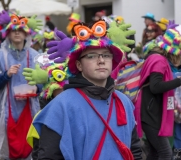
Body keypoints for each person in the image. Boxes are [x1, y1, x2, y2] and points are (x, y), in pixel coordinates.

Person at [31, 20, 142, 159]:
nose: (101, 60)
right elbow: (48, 156)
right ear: (79, 65)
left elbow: (135, 150)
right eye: (92, 56)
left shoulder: (124, 102)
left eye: (106, 55)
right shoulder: (61, 106)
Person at [0, 10, 43, 159]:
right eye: (13, 30)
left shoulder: (35, 57)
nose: (17, 33)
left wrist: (37, 87)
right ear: (7, 33)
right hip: (6, 113)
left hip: (30, 109)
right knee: (9, 150)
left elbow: (46, 84)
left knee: (30, 146)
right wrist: (6, 75)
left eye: (21, 30)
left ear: (27, 34)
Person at [135, 24, 181, 160]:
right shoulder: (159, 60)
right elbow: (155, 87)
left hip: (151, 113)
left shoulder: (159, 58)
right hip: (150, 115)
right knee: (165, 153)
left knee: (155, 153)